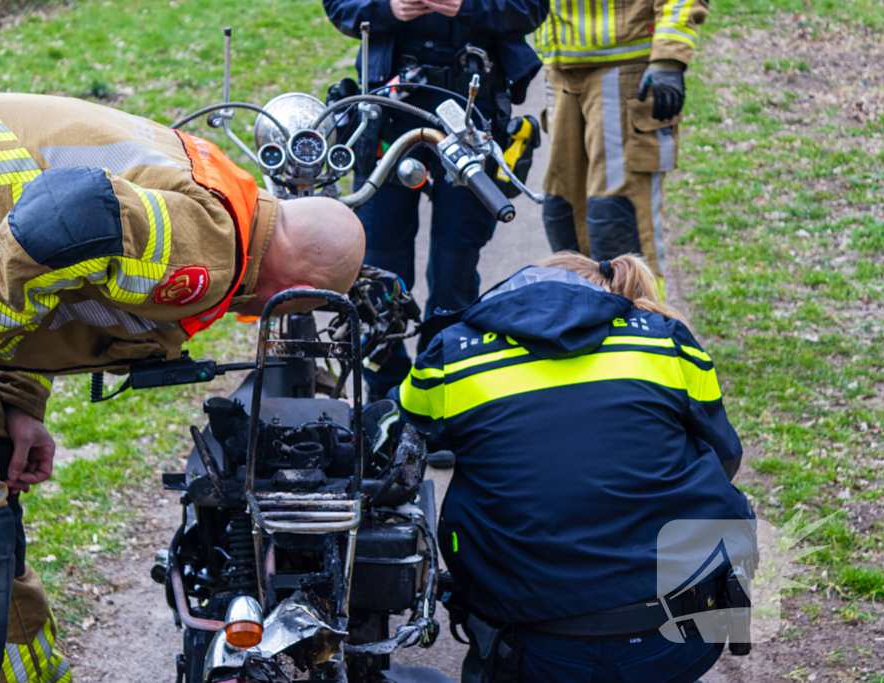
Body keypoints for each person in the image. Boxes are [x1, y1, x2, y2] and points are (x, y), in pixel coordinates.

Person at [0, 93, 365, 683]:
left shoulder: (218, 190)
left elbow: (53, 270)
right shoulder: (211, 245)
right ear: (292, 288)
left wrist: (16, 400)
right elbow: (70, 215)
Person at [396, 252, 755, 682]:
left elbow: (398, 439)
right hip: (680, 640)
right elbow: (725, 455)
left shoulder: (452, 354)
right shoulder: (665, 339)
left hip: (536, 645)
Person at [323, 0, 546, 400]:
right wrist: (386, 8)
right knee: (379, 266)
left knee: (454, 267)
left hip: (472, 113)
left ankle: (442, 389)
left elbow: (530, 9)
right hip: (388, 110)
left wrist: (467, 6)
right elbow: (340, 6)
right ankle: (386, 398)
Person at [536, 0, 709, 297]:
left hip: (625, 71)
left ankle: (647, 321)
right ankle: (586, 321)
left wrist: (668, 58)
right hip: (560, 70)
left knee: (616, 222)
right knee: (562, 216)